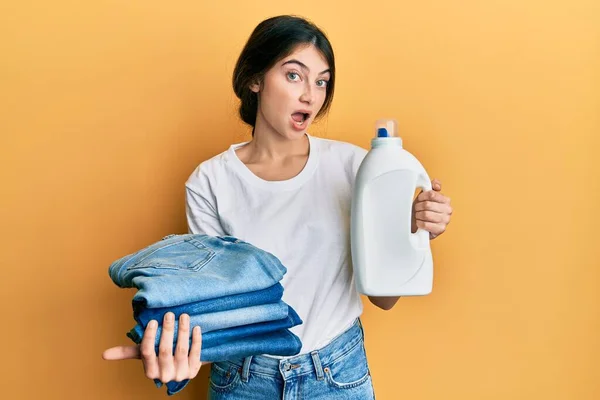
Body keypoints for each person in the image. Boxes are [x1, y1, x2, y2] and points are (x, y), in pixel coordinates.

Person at [103, 14, 453, 399]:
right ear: (254, 79)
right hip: (244, 380)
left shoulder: (354, 168)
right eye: (294, 75)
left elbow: (384, 299)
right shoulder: (210, 182)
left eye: (321, 81)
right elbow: (214, 307)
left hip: (337, 375)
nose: (311, 95)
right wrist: (183, 355)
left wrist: (412, 231)